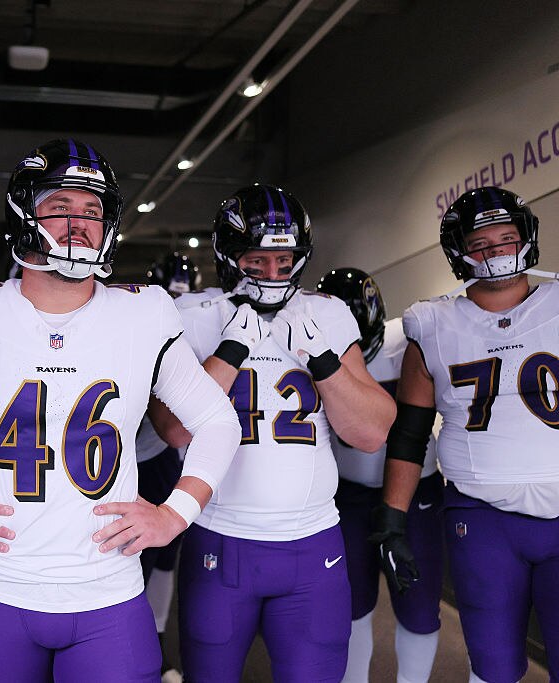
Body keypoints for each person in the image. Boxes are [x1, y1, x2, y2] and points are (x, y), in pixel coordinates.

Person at [0, 138, 243, 682]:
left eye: (92, 210)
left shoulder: (145, 312)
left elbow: (217, 421)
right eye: (61, 206)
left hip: (107, 590)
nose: (79, 223)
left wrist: (174, 514)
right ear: (24, 215)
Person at [150, 183, 396, 682]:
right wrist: (229, 354)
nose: (272, 274)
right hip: (220, 536)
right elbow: (172, 430)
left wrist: (323, 361)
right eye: (256, 261)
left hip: (313, 541)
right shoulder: (192, 315)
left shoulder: (325, 313)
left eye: (284, 262)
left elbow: (371, 432)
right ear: (228, 256)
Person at [376, 187, 559, 683]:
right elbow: (410, 434)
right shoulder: (432, 324)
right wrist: (393, 520)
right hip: (482, 516)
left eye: (506, 238)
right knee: (493, 666)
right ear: (460, 252)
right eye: (481, 243)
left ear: (527, 237)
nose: (496, 251)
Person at [316, 267, 443, 683]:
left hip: (417, 492)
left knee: (419, 606)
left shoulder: (409, 338)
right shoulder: (309, 342)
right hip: (348, 495)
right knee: (350, 606)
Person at [141, 251, 203, 683]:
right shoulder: (139, 321)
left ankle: (157, 646)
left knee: (166, 557)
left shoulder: (197, 326)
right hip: (133, 457)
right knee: (134, 560)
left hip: (167, 458)